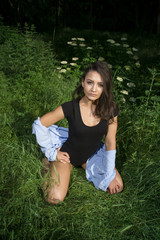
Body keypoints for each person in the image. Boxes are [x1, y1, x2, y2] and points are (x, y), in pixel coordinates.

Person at [32, 61, 123, 204]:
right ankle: (48, 163)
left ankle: (85, 164)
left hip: (92, 155)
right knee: (54, 198)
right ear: (82, 82)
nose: (94, 89)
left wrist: (108, 175)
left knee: (116, 186)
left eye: (100, 84)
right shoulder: (70, 107)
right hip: (68, 155)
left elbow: (110, 141)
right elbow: (40, 124)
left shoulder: (111, 109)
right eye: (90, 82)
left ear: (105, 87)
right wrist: (52, 153)